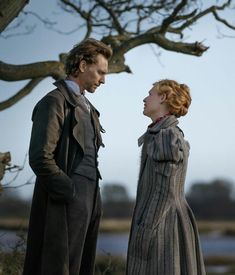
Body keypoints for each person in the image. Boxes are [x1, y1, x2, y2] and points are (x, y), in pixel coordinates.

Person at [23, 38, 112, 275]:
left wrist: (92, 200)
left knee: (80, 267)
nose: (103, 80)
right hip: (66, 201)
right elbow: (40, 157)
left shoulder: (88, 107)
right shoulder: (54, 102)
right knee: (59, 268)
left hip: (90, 202)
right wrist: (68, 191)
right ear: (82, 65)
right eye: (100, 72)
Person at [126, 79, 206, 275]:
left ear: (163, 98)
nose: (145, 98)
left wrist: (145, 229)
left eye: (150, 94)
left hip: (163, 225)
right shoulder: (161, 133)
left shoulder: (166, 136)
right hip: (164, 221)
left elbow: (165, 191)